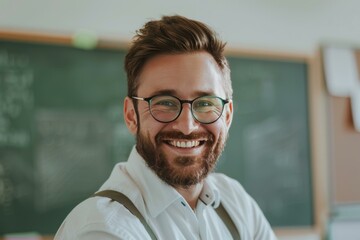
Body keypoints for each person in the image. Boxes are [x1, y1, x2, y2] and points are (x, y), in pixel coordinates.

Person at [54, 15, 277, 240]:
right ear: (131, 115)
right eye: (165, 103)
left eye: (205, 103)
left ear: (227, 116)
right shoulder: (102, 229)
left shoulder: (235, 201)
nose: (188, 126)